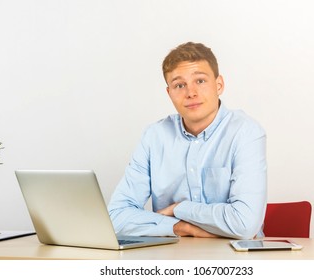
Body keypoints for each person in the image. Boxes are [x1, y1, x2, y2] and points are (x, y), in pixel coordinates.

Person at [108, 42, 267, 239]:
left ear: (219, 85)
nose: (190, 92)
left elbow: (244, 224)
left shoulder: (246, 133)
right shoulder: (154, 136)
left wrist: (180, 208)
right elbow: (115, 216)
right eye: (179, 85)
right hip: (173, 259)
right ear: (169, 93)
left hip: (238, 260)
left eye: (200, 81)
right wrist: (182, 228)